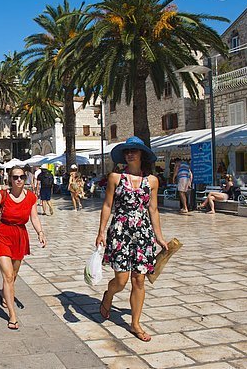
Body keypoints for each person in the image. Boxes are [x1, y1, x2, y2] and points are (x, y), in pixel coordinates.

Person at [95, 136, 169, 342]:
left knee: (139, 280)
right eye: (127, 151)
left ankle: (135, 324)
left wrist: (159, 237)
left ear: (142, 155)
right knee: (121, 280)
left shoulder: (152, 181)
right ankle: (109, 295)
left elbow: (153, 209)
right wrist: (101, 232)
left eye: (134, 151)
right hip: (120, 231)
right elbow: (108, 205)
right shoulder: (115, 178)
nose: (130, 154)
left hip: (143, 234)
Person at [0, 166, 46, 330]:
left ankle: (4, 293)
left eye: (21, 177)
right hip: (3, 235)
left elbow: (34, 217)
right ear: (10, 179)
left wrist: (40, 232)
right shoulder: (3, 195)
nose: (19, 180)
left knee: (13, 275)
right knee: (7, 275)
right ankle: (12, 316)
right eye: (15, 177)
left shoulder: (31, 197)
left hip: (20, 236)